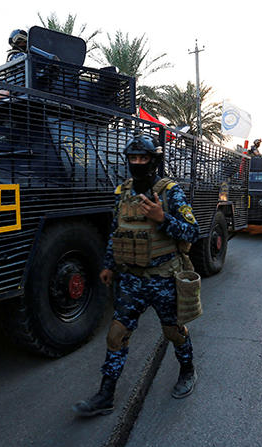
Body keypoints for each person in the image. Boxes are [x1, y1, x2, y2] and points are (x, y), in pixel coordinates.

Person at [72, 134, 200, 417]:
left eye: (143, 159)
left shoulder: (170, 191)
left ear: (154, 161)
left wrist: (161, 217)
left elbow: (193, 232)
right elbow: (118, 231)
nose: (138, 163)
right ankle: (106, 395)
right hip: (131, 279)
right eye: (133, 159)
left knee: (174, 332)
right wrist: (108, 264)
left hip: (165, 277)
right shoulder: (124, 191)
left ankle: (187, 371)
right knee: (117, 335)